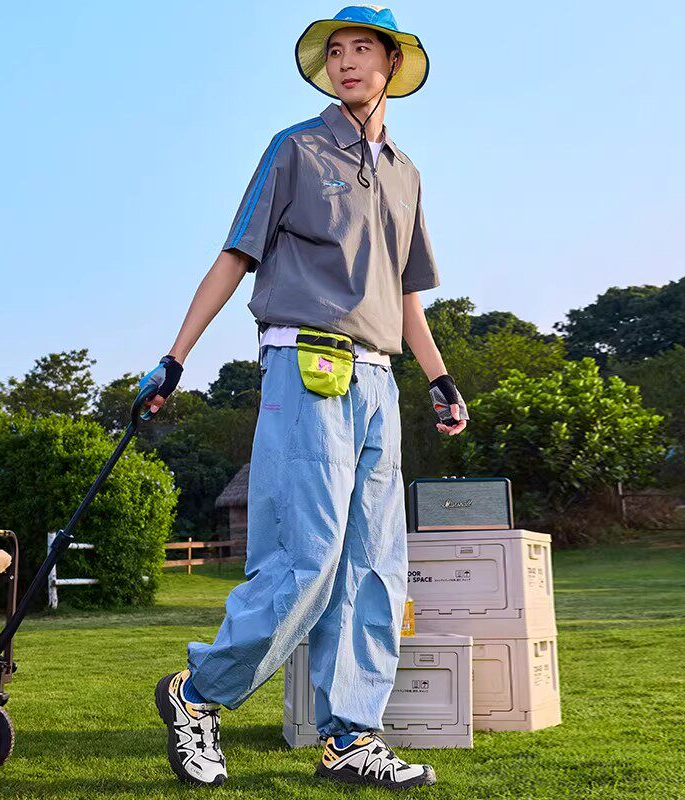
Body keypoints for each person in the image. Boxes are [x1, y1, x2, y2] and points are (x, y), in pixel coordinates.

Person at [143, 5, 470, 790]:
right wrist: (175, 356)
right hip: (305, 369)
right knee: (306, 560)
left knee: (374, 567)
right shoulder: (295, 149)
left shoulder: (404, 173)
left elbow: (404, 295)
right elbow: (234, 257)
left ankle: (349, 739)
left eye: (364, 50)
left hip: (379, 381)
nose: (347, 62)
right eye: (336, 51)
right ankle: (197, 695)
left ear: (392, 65)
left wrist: (439, 377)